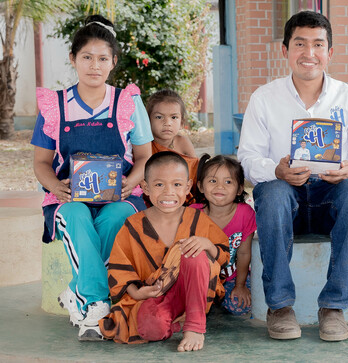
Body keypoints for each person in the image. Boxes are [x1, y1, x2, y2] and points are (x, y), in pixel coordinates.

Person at [237, 11, 348, 341]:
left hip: (332, 200)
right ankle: (280, 306)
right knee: (271, 192)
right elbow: (246, 159)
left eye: (318, 44)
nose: (309, 53)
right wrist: (276, 170)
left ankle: (334, 306)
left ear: (330, 52)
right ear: (284, 50)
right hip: (286, 203)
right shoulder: (264, 99)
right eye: (300, 43)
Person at [31, 15, 152, 340]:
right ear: (73, 59)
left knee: (118, 217)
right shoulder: (54, 106)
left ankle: (77, 292)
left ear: (113, 62)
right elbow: (41, 162)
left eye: (102, 58)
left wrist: (131, 181)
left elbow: (144, 157)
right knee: (75, 214)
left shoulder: (128, 103)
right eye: (86, 57)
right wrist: (55, 185)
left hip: (121, 197)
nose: (94, 66)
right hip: (67, 198)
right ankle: (97, 302)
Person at [99, 152, 230, 351]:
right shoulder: (133, 225)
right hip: (155, 297)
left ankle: (194, 326)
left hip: (193, 293)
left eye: (177, 185)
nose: (169, 192)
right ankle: (174, 323)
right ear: (145, 187)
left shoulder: (197, 219)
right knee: (150, 328)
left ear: (187, 187)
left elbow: (222, 255)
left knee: (192, 251)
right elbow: (119, 269)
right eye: (159, 185)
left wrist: (207, 244)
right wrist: (138, 292)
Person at [193, 154, 256, 315]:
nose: (220, 187)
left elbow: (243, 252)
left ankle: (218, 297)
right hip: (200, 280)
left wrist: (240, 285)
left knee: (239, 306)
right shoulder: (192, 214)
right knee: (194, 307)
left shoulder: (245, 213)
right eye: (213, 181)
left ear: (240, 189)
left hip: (232, 278)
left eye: (228, 182)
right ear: (200, 186)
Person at [146, 89, 199, 203]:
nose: (167, 123)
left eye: (174, 117)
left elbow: (195, 175)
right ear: (148, 120)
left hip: (182, 199)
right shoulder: (144, 145)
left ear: (182, 122)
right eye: (159, 117)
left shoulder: (183, 142)